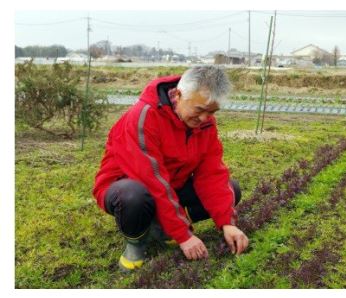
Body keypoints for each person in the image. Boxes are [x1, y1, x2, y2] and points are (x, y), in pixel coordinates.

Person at [92, 66, 249, 272]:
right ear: (177, 95)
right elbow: (152, 180)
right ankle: (136, 242)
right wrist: (183, 235)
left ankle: (160, 227)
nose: (204, 119)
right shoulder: (144, 117)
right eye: (199, 110)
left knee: (231, 189)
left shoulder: (205, 124)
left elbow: (211, 174)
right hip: (128, 186)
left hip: (171, 186)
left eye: (211, 112)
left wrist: (227, 223)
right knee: (133, 196)